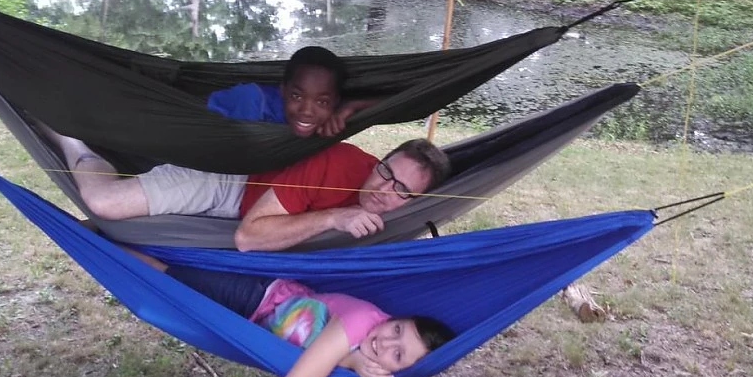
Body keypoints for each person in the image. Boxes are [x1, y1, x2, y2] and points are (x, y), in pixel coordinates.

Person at [130, 252, 455, 377]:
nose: (385, 343)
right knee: (165, 276)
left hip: (253, 326)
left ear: (400, 370)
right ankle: (107, 248)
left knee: (171, 289)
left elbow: (324, 363)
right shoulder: (362, 321)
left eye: (398, 354)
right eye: (396, 329)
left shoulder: (366, 360)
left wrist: (352, 361)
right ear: (393, 318)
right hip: (257, 296)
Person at [49, 134, 452, 251]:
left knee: (127, 235)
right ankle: (73, 141)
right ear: (380, 159)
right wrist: (334, 217)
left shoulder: (402, 216)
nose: (383, 189)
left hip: (253, 209)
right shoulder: (337, 162)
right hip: (230, 182)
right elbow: (248, 237)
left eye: (402, 190)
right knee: (105, 203)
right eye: (385, 171)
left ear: (414, 202)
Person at [206, 45, 376, 138]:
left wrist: (351, 106)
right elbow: (237, 145)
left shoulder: (329, 115)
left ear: (335, 102)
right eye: (297, 96)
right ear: (283, 90)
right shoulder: (252, 100)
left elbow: (391, 105)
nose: (307, 111)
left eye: (321, 101)